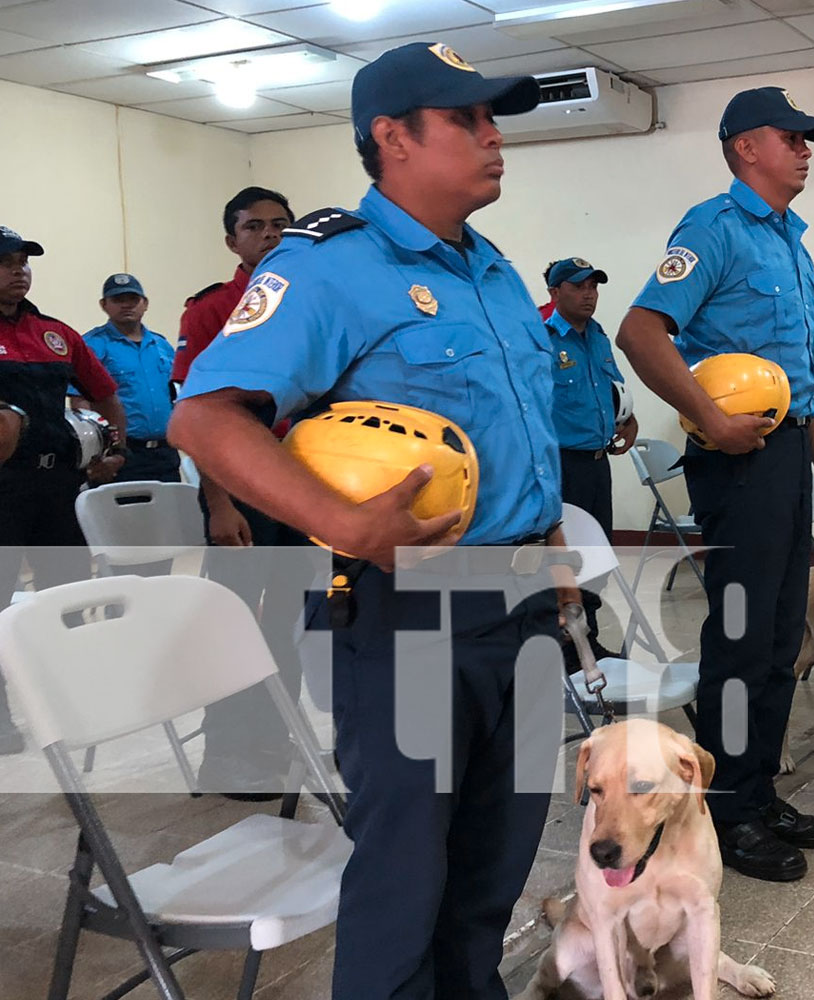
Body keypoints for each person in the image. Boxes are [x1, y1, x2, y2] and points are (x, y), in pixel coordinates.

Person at [169, 41, 573, 999]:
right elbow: (204, 415)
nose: (493, 134)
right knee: (405, 873)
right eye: (467, 118)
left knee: (494, 858)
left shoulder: (493, 269)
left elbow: (517, 435)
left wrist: (551, 560)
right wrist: (342, 526)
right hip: (412, 613)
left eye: (493, 116)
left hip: (518, 603)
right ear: (392, 138)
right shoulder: (326, 267)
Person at [617, 85, 814, 883]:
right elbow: (640, 331)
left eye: (807, 138)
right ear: (744, 146)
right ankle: (723, 810)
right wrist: (708, 420)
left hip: (786, 458)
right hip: (738, 462)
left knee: (783, 636)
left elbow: (804, 383)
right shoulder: (713, 230)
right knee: (743, 634)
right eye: (791, 136)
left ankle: (754, 791)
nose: (805, 147)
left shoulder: (794, 244)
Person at [172, 185, 306, 798]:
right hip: (238, 489)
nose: (270, 235)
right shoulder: (210, 309)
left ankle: (277, 737)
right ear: (233, 240)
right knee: (232, 625)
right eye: (255, 227)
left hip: (301, 484)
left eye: (281, 225)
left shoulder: (308, 299)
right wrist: (219, 503)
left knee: (286, 622)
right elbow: (198, 412)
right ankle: (226, 750)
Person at [0, 226, 127, 753]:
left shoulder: (56, 333)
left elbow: (104, 392)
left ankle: (70, 700)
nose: (18, 269)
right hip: (2, 489)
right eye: (5, 262)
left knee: (69, 596)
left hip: (58, 486)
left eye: (23, 261)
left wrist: (114, 451)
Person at [544, 256, 637, 663]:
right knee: (566, 559)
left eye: (594, 287)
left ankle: (589, 640)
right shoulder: (540, 338)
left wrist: (628, 418)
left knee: (597, 558)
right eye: (579, 286)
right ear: (555, 292)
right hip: (562, 466)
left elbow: (612, 387)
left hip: (599, 464)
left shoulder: (598, 337)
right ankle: (563, 647)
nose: (589, 294)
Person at [78, 273, 180, 482]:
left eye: (132, 299)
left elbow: (176, 394)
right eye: (118, 300)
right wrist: (98, 451)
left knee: (171, 513)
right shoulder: (92, 345)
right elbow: (80, 402)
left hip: (166, 453)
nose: (126, 305)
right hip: (120, 454)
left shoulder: (162, 346)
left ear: (145, 304)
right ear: (104, 305)